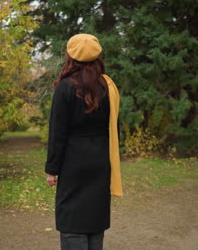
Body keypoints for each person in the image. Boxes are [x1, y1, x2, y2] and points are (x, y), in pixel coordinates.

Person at [45, 33, 123, 250]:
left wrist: (52, 169)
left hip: (73, 161)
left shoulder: (65, 87)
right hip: (100, 159)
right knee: (95, 215)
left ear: (71, 56)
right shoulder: (107, 86)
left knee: (72, 216)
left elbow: (58, 132)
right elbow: (115, 126)